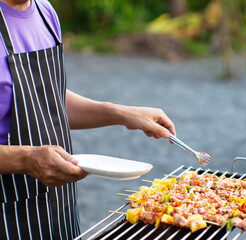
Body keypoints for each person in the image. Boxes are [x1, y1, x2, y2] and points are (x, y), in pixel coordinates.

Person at [0, 0, 176, 238]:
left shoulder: (45, 13)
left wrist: (122, 113)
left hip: (58, 211)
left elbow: (47, 100)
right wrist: (26, 160)